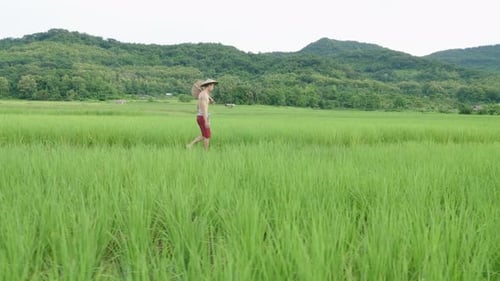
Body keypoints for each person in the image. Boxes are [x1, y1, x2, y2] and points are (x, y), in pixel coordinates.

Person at [186, 79, 218, 150]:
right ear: (209, 85)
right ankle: (205, 151)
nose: (213, 87)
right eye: (212, 85)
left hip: (200, 116)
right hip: (203, 117)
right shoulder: (204, 96)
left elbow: (198, 106)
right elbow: (204, 109)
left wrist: (209, 101)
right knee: (207, 136)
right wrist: (206, 121)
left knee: (205, 135)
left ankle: (190, 145)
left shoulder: (202, 94)